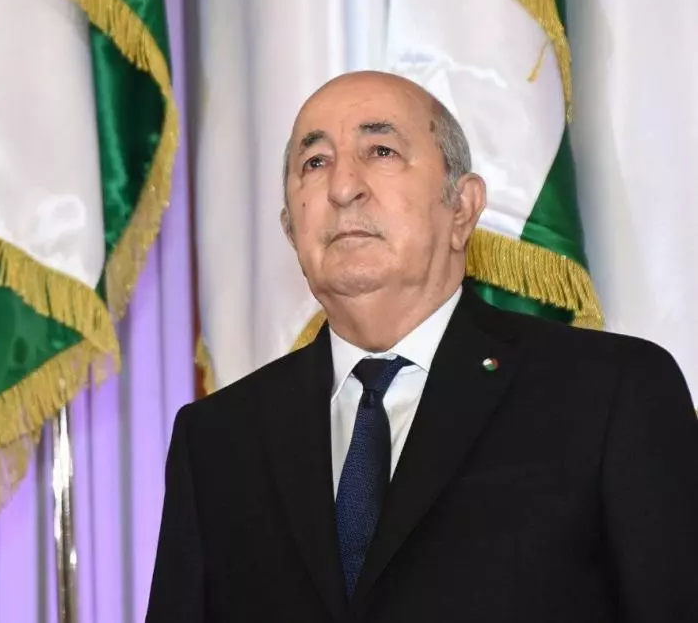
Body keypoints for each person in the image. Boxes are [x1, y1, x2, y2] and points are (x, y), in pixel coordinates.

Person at [145, 71, 698, 622]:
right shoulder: (216, 440)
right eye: (315, 162)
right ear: (291, 228)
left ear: (462, 208)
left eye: (381, 151)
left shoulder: (609, 394)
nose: (343, 187)